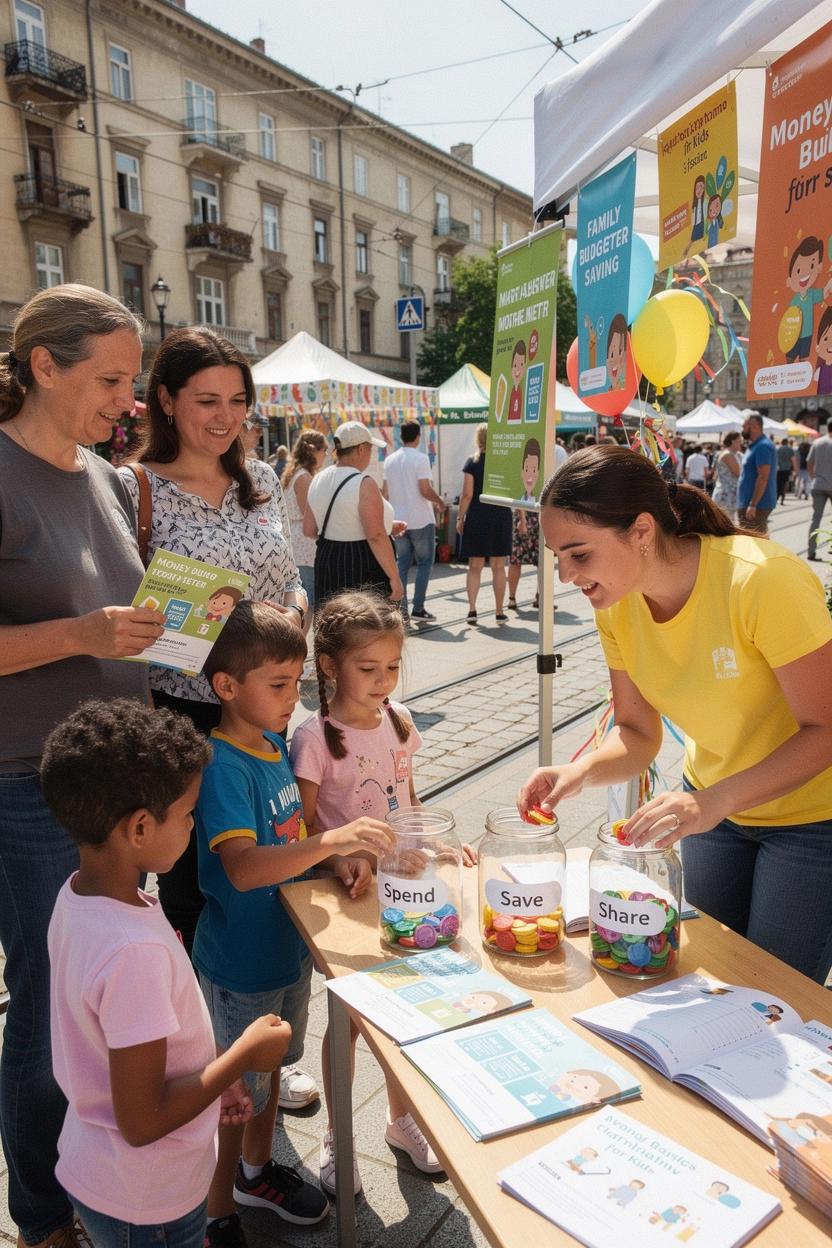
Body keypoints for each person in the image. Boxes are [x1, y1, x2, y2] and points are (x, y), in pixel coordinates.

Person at [520, 444, 832, 983]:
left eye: (579, 554)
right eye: (558, 558)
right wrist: (578, 773)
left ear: (641, 531)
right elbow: (638, 733)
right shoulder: (616, 603)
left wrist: (713, 800)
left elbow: (825, 730)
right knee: (707, 975)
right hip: (712, 808)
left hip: (810, 821)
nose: (567, 575)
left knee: (776, 994)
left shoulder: (762, 580)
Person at [0, 284, 168, 1248]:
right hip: (24, 779)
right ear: (43, 367)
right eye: (108, 380)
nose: (127, 402)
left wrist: (187, 626)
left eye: (131, 380)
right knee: (48, 998)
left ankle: (97, 1170)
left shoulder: (106, 478)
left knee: (106, 990)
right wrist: (81, 632)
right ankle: (41, 1215)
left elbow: (124, 619)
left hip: (115, 776)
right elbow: (78, 626)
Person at [41, 698, 291, 1248]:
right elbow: (144, 1119)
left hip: (101, 1168)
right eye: (187, 815)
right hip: (146, 1197)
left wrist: (209, 1079)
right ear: (139, 828)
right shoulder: (132, 951)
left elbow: (130, 1056)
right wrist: (240, 1057)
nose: (195, 824)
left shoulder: (78, 898)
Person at [193, 603, 396, 1244]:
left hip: (286, 950)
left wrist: (332, 866)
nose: (293, 698)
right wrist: (331, 847)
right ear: (227, 687)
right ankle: (217, 1207)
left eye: (296, 683)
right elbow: (246, 868)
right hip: (242, 963)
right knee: (236, 1095)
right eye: (278, 685)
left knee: (271, 1072)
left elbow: (294, 830)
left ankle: (256, 1173)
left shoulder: (273, 743)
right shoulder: (224, 766)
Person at [119, 327, 306, 961]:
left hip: (264, 709)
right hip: (185, 719)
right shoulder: (136, 489)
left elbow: (289, 580)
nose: (225, 416)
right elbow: (119, 615)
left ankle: (260, 1017)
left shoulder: (259, 480)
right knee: (196, 887)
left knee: (268, 867)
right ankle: (206, 1032)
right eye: (207, 401)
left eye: (237, 399)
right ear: (166, 401)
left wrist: (297, 617)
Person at [290, 592, 451, 1195]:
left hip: (403, 886)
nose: (384, 681)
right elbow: (303, 827)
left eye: (392, 666)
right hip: (346, 896)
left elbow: (408, 800)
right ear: (329, 666)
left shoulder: (399, 719)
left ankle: (400, 1118)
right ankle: (338, 1134)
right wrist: (343, 857)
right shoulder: (313, 737)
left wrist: (431, 839)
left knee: (407, 1007)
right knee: (351, 1019)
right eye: (369, 668)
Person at [304, 420, 404, 607]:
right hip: (361, 561)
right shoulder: (363, 482)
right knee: (365, 625)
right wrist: (394, 577)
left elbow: (309, 529)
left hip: (328, 558)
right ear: (360, 449)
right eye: (370, 448)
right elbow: (375, 536)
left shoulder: (318, 479)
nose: (370, 454)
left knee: (334, 623)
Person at [382, 419, 444, 622]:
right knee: (425, 563)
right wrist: (439, 501)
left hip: (398, 520)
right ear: (418, 437)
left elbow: (384, 493)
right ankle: (418, 608)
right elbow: (424, 490)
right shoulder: (420, 458)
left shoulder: (390, 460)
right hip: (420, 519)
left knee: (402, 564)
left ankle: (402, 610)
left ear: (401, 437)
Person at [456, 423, 512, 624]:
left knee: (475, 566)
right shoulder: (504, 463)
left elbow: (467, 494)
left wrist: (460, 517)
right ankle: (499, 612)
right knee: (498, 566)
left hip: (478, 516)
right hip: (501, 515)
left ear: (478, 439)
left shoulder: (472, 462)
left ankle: (472, 610)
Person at [280, 428, 328, 610]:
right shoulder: (304, 477)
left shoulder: (296, 473)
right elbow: (308, 512)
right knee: (307, 603)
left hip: (297, 541)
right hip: (304, 544)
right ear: (313, 451)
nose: (326, 455)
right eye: (324, 450)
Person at [737, 412, 776, 532]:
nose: (742, 430)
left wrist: (753, 504)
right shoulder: (755, 445)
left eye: (744, 426)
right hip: (750, 503)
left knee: (755, 543)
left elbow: (763, 477)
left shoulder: (762, 446)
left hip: (757, 505)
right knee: (752, 542)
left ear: (754, 426)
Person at [807, 416, 832, 561]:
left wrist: (813, 477)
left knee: (815, 519)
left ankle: (811, 551)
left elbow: (809, 463)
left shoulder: (817, 442)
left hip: (818, 485)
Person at [711, 430, 742, 521]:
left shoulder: (733, 454)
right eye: (739, 441)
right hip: (726, 495)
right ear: (733, 441)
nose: (741, 443)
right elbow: (738, 473)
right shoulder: (728, 455)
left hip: (728, 494)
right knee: (726, 522)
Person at [776, 438, 794, 505]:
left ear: (781, 442)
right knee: (785, 484)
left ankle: (777, 498)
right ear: (787, 443)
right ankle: (782, 499)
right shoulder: (790, 449)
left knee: (778, 484)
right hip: (787, 469)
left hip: (779, 470)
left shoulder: (778, 449)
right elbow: (793, 459)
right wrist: (795, 469)